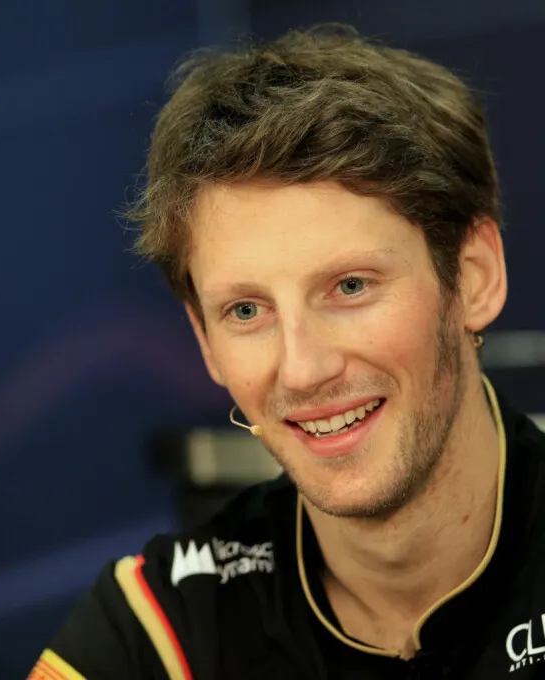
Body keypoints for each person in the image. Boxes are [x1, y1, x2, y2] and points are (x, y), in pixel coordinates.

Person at [27, 25, 545, 680]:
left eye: (350, 287)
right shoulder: (160, 629)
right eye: (246, 311)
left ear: (473, 276)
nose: (303, 369)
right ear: (205, 343)